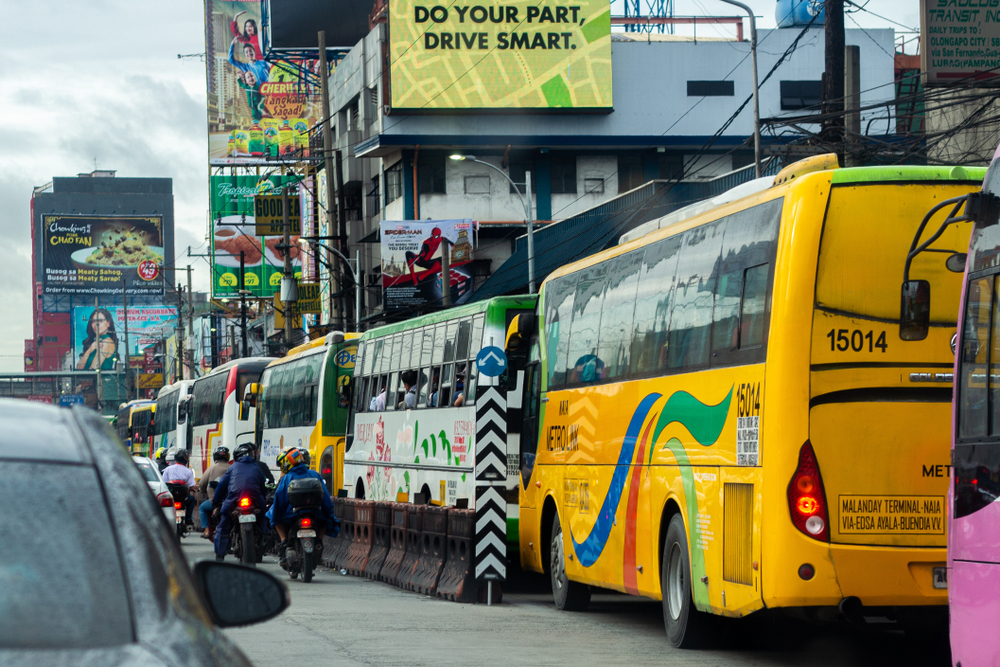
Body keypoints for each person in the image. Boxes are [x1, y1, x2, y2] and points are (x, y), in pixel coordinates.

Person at [267, 448, 337, 567]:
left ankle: (284, 541)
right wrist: (329, 513)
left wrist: (275, 517)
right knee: (325, 520)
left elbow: (279, 501)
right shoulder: (314, 474)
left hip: (292, 514)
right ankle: (319, 542)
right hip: (315, 513)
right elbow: (326, 499)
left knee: (271, 514)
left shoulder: (287, 478)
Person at [211, 443, 268, 562]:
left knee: (224, 524)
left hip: (233, 500)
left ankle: (219, 556)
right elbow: (263, 487)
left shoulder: (233, 467)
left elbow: (222, 486)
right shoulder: (256, 467)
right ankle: (264, 537)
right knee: (264, 516)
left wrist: (216, 501)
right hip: (255, 499)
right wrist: (263, 499)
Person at [197, 447, 231, 539]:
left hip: (215, 501)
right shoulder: (232, 467)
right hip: (231, 500)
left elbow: (203, 483)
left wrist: (202, 491)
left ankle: (207, 531)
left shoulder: (211, 468)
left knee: (202, 508)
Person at [161, 450, 197, 527]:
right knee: (192, 499)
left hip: (171, 497)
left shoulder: (168, 469)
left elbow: (163, 483)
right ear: (186, 460)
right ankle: (188, 519)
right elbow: (191, 486)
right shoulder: (188, 471)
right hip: (184, 499)